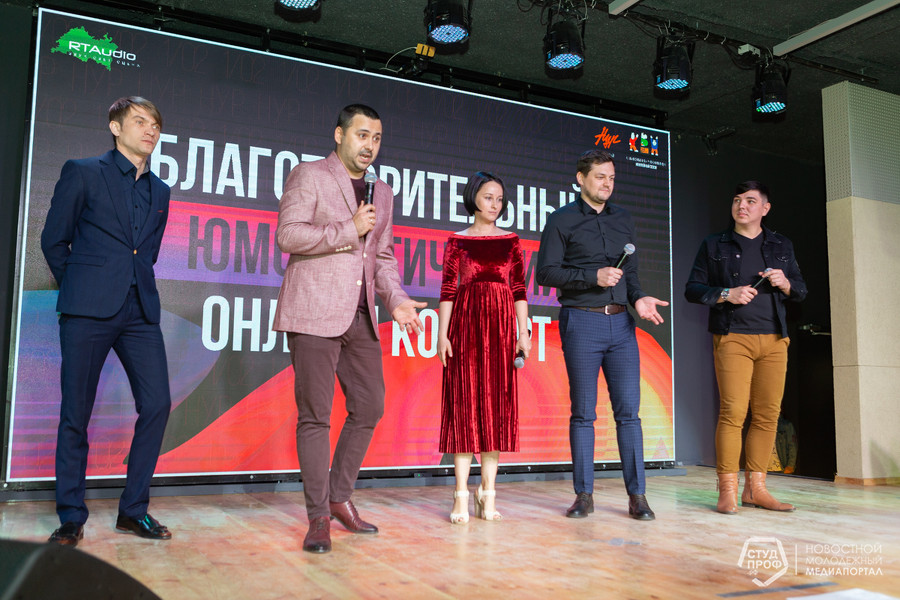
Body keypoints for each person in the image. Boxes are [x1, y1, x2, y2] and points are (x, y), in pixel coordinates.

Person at [273, 104, 426, 553]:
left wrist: (396, 300)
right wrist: (349, 227)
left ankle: (339, 496)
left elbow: (382, 258)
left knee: (370, 405)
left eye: (376, 138)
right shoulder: (310, 175)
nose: (369, 146)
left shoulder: (384, 193)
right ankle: (318, 516)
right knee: (315, 415)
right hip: (314, 311)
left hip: (360, 315)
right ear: (339, 135)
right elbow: (288, 235)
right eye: (362, 135)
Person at [40, 96, 173, 546]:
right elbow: (54, 240)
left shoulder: (161, 191)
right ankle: (71, 516)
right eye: (140, 122)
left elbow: (147, 252)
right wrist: (80, 287)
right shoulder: (83, 172)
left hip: (140, 312)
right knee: (75, 414)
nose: (150, 130)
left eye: (155, 125)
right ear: (115, 127)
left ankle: (132, 511)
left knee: (157, 404)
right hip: (87, 311)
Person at [536, 149, 668, 521]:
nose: (607, 184)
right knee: (583, 413)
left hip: (621, 325)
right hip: (582, 321)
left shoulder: (623, 219)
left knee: (629, 414)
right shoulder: (561, 219)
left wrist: (638, 298)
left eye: (611, 178)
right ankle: (584, 495)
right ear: (581, 179)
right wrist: (592, 276)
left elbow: (632, 275)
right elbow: (545, 273)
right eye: (600, 177)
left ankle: (638, 497)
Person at [685, 180, 806, 514]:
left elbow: (801, 290)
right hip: (732, 336)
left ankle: (756, 489)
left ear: (765, 209)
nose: (742, 205)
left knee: (767, 415)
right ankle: (727, 490)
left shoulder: (781, 244)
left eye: (751, 201)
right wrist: (728, 293)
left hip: (775, 339)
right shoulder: (714, 244)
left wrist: (786, 283)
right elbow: (693, 289)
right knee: (733, 412)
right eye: (737, 200)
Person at [437, 172, 532, 524]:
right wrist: (442, 335)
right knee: (464, 407)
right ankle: (461, 493)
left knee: (495, 409)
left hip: (502, 329)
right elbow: (448, 290)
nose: (495, 204)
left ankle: (488, 492)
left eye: (500, 199)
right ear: (473, 198)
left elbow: (519, 290)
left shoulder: (511, 241)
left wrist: (523, 333)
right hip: (465, 327)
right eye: (489, 197)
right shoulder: (457, 242)